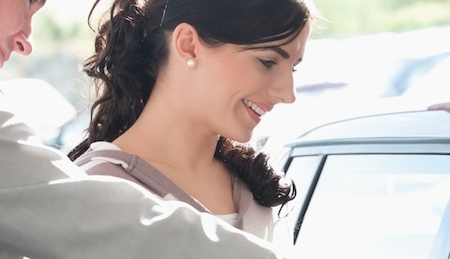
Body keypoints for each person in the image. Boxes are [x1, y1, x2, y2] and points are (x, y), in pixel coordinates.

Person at [0, 0, 310, 258]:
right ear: (188, 45)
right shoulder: (102, 179)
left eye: (293, 68)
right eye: (268, 61)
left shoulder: (255, 182)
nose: (288, 94)